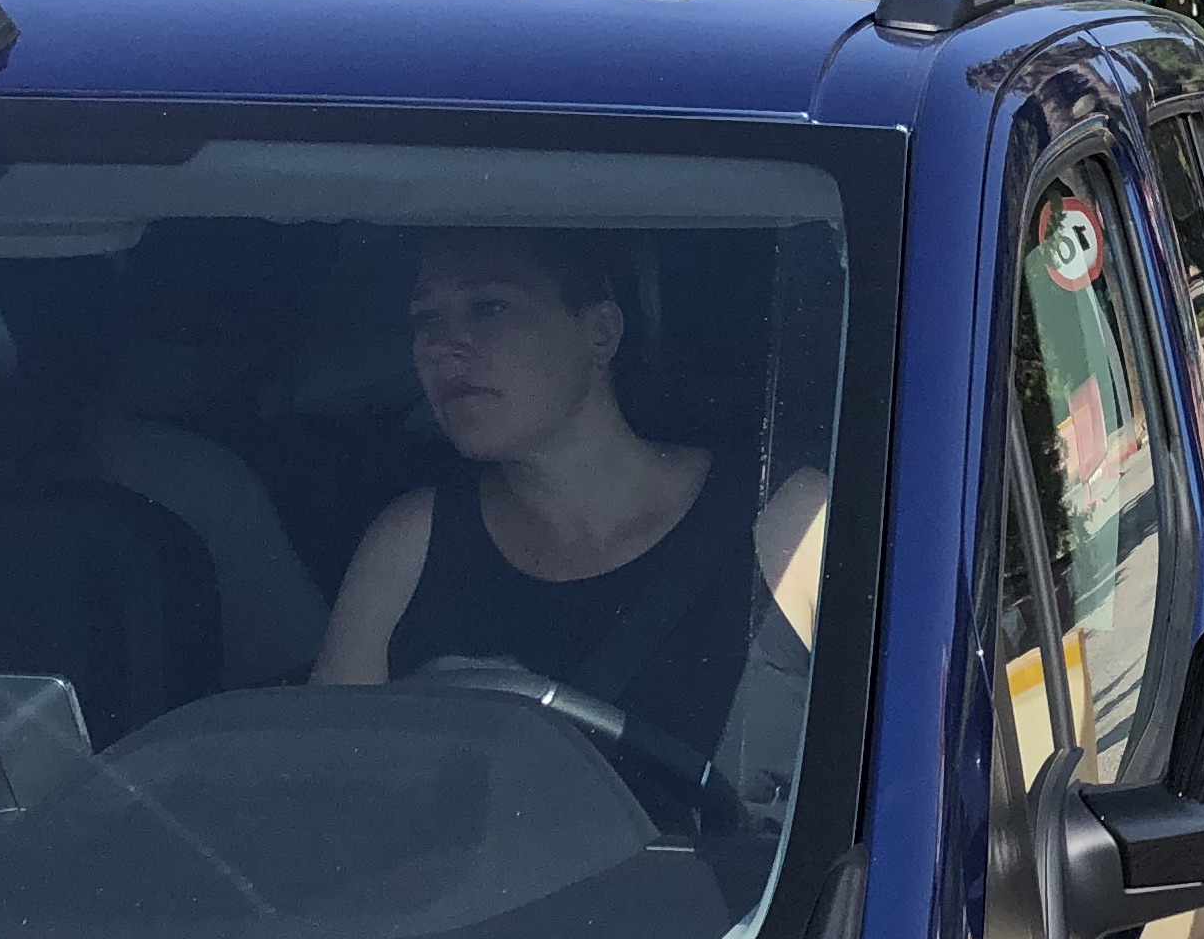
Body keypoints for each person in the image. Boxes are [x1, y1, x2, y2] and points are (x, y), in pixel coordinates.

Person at [314, 233, 828, 771]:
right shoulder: (411, 541)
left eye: (489, 307)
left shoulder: (788, 520)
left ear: (600, 333)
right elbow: (320, 783)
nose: (442, 346)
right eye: (425, 320)